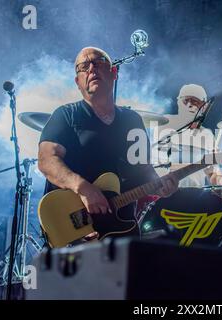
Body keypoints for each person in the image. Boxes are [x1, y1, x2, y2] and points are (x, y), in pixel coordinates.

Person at [38, 47, 179, 241]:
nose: (91, 69)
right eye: (83, 66)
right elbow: (47, 160)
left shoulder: (132, 121)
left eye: (99, 62)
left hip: (122, 230)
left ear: (114, 73)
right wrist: (84, 188)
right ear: (77, 82)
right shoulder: (66, 115)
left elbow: (144, 172)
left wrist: (161, 186)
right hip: (77, 230)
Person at [154, 84, 221, 187]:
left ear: (204, 107)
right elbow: (157, 165)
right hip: (167, 194)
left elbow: (212, 173)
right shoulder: (164, 123)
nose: (189, 104)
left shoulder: (207, 135)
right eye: (186, 100)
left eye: (195, 101)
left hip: (196, 196)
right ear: (178, 102)